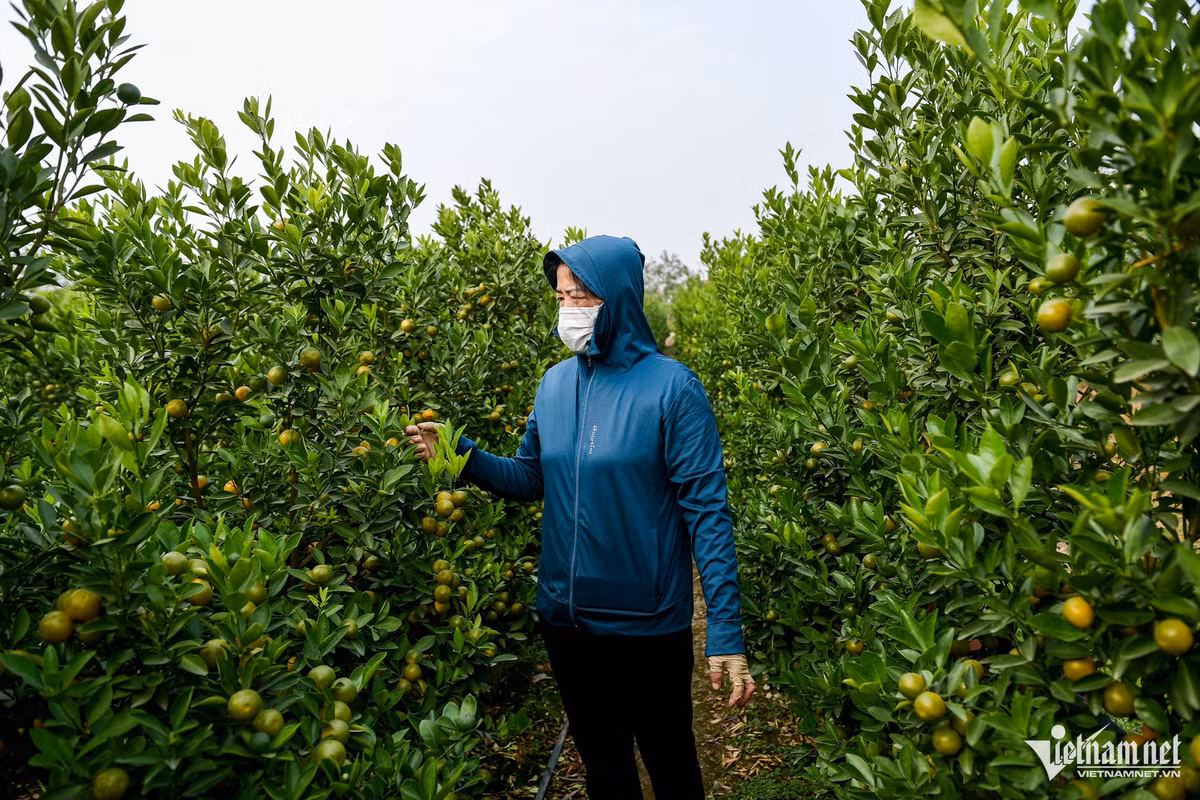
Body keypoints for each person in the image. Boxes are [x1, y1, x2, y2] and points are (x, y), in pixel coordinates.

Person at [405, 234, 753, 800]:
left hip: (646, 623)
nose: (569, 309)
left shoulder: (672, 390)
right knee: (605, 768)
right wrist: (458, 452)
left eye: (582, 296)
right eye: (562, 297)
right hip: (567, 622)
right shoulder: (554, 384)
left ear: (617, 299)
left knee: (669, 761)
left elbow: (708, 513)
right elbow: (530, 476)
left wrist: (725, 632)